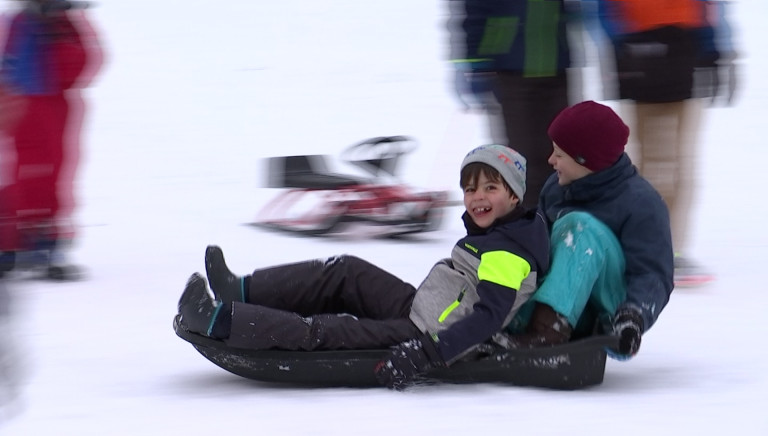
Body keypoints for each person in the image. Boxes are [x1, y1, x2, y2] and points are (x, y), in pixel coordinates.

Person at [177, 144, 550, 390]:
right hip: (420, 305)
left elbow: (487, 318)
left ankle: (221, 320)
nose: (477, 198)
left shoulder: (507, 253)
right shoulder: (501, 234)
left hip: (426, 333)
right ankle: (241, 289)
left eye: (490, 188)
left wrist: (428, 353)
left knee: (329, 331)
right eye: (471, 190)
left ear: (514, 195)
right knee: (346, 270)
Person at [496, 101, 674, 360]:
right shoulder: (555, 188)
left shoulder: (642, 203)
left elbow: (653, 274)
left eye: (559, 154)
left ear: (585, 159)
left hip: (610, 314)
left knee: (579, 227)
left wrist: (632, 318)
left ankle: (550, 329)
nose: (550, 160)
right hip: (559, 300)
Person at [595, 0, 737, 285]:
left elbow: (710, 6)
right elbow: (601, 9)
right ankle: (647, 250)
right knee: (654, 162)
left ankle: (669, 249)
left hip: (686, 49)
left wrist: (716, 49)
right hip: (643, 49)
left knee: (679, 161)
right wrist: (621, 44)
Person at [0, 0, 102, 276]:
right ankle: (17, 238)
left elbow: (87, 63)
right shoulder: (17, 24)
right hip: (24, 103)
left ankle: (43, 238)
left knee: (55, 170)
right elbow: (6, 67)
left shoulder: (65, 24)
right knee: (31, 171)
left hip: (55, 104)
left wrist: (58, 34)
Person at [447, 0, 577, 209]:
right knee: (522, 159)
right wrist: (474, 61)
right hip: (509, 68)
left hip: (556, 63)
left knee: (561, 156)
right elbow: (474, 10)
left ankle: (558, 223)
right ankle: (526, 226)